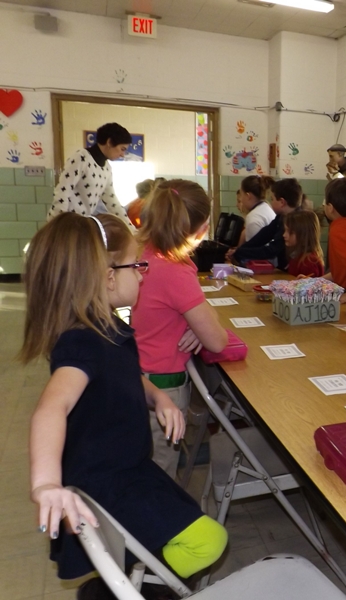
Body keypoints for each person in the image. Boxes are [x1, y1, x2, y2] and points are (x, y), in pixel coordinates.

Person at [20, 213, 227, 592]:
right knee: (207, 540)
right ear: (109, 276)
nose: (143, 274)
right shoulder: (83, 343)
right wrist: (46, 483)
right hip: (108, 481)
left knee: (183, 528)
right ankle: (126, 591)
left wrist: (157, 397)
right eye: (137, 265)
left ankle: (126, 584)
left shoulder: (109, 328)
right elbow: (50, 409)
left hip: (128, 467)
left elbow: (126, 376)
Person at [133, 179, 229, 478]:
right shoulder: (175, 270)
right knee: (159, 474)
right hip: (164, 387)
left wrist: (193, 321)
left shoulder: (146, 253)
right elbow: (217, 341)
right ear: (202, 230)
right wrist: (200, 322)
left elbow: (195, 312)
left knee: (146, 463)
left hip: (140, 375)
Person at [48, 123, 134, 228]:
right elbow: (62, 192)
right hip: (65, 225)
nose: (122, 155)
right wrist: (58, 226)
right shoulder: (81, 158)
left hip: (81, 225)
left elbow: (112, 202)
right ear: (109, 142)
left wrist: (132, 230)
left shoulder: (107, 168)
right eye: (122, 149)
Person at [230, 178, 304, 269]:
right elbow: (264, 235)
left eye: (272, 199)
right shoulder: (281, 217)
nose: (270, 203)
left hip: (295, 268)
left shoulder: (294, 223)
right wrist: (240, 250)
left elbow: (272, 250)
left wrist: (241, 253)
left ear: (282, 202)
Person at [283, 209, 325, 278]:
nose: (284, 235)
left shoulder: (308, 262)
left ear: (303, 235)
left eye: (290, 232)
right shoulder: (299, 256)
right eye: (285, 230)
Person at [237, 175, 276, 243]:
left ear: (248, 196)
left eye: (241, 195)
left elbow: (253, 248)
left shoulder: (253, 217)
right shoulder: (266, 207)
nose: (241, 199)